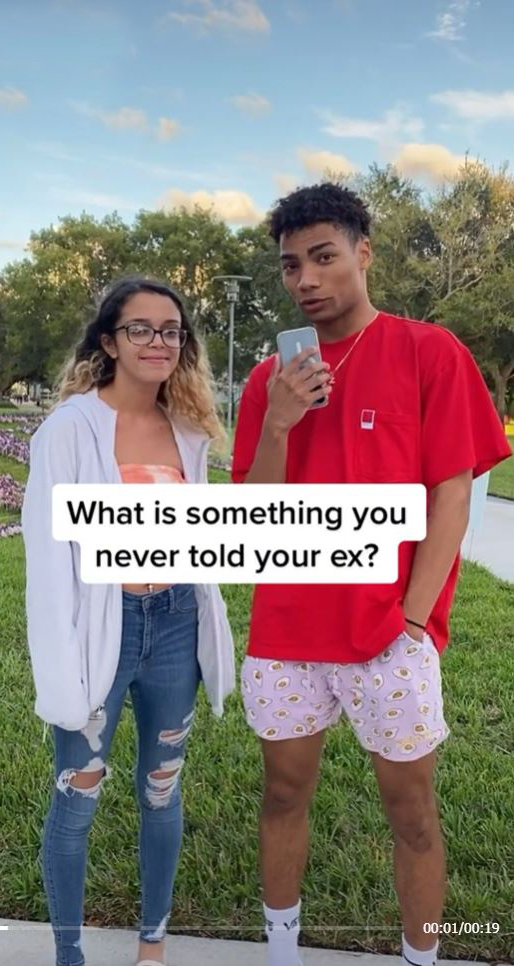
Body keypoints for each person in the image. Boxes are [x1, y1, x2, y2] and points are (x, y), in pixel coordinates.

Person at [231, 183, 511, 966]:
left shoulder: (429, 352)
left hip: (390, 633)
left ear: (364, 253)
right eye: (291, 266)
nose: (306, 279)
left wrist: (414, 620)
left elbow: (451, 495)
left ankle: (421, 956)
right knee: (282, 795)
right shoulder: (267, 381)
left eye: (323, 257)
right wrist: (281, 421)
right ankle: (281, 953)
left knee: (412, 812)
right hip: (288, 633)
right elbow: (254, 517)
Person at [22, 276, 235, 966]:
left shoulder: (188, 430)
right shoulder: (70, 428)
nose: (157, 342)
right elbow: (48, 556)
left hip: (174, 622)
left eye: (170, 330)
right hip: (100, 631)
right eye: (139, 329)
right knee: (77, 795)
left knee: (161, 792)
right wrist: (60, 667)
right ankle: (69, 955)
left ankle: (153, 948)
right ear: (109, 342)